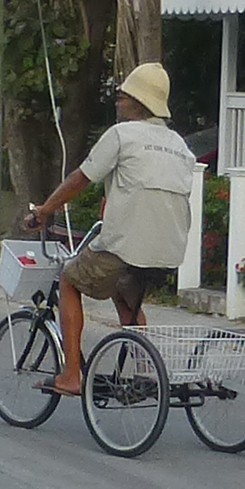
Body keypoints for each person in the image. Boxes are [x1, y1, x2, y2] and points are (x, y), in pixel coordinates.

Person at [23, 62, 196, 396]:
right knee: (125, 294)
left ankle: (71, 375)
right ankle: (146, 371)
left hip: (125, 245)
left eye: (124, 95)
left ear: (139, 102)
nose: (118, 99)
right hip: (169, 252)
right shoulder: (179, 145)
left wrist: (44, 210)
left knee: (69, 279)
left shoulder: (121, 135)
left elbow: (80, 179)